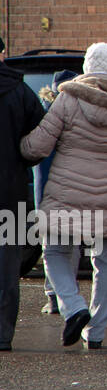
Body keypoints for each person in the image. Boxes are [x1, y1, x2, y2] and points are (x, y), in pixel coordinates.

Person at [21, 43, 107, 349]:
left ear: (86, 67)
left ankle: (73, 305)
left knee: (54, 252)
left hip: (67, 195)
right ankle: (95, 332)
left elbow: (38, 146)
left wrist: (19, 146)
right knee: (105, 260)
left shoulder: (68, 100)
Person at [0, 35, 47, 351]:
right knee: (7, 268)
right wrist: (24, 157)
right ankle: (2, 334)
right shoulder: (20, 90)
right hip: (12, 191)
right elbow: (40, 139)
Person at [35, 69, 74, 315]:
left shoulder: (43, 116)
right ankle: (63, 295)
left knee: (51, 248)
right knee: (70, 246)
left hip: (48, 192)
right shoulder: (72, 118)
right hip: (69, 192)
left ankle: (53, 295)